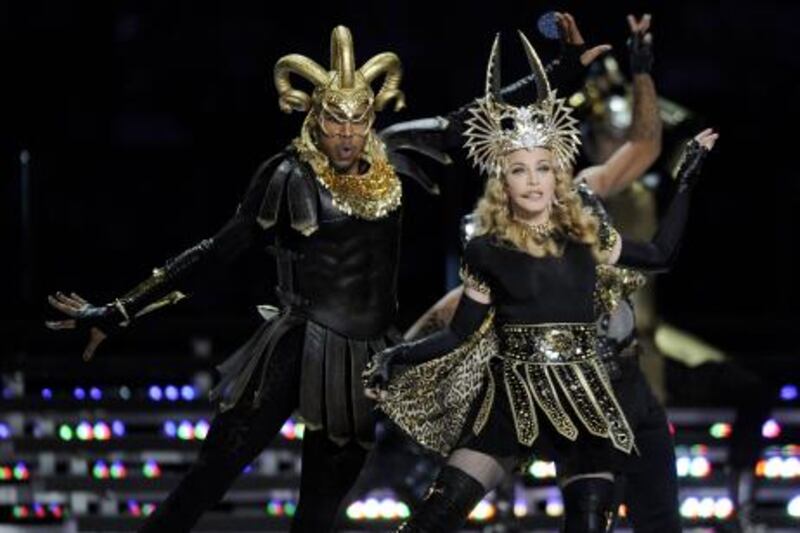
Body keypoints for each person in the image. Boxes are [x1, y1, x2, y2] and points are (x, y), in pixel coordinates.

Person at [364, 29, 717, 532]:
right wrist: (398, 355)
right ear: (503, 176)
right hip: (517, 388)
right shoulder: (489, 242)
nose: (536, 177)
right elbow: (456, 316)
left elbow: (646, 150)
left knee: (622, 518)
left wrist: (641, 72)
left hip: (605, 386)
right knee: (437, 513)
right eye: (521, 168)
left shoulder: (586, 208)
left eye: (545, 164)